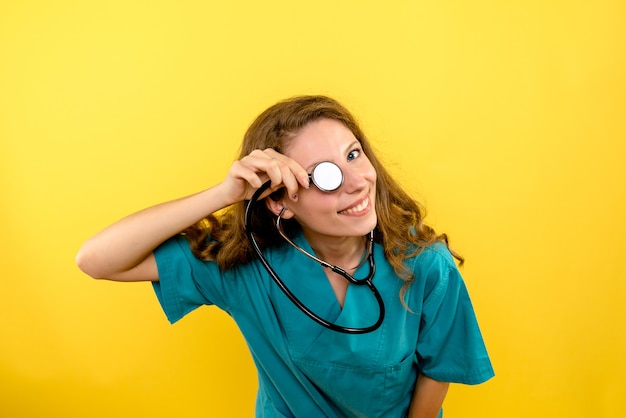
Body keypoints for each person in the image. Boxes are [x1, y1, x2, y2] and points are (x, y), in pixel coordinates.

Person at [76, 95, 494, 417]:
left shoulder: (424, 263)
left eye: (354, 155)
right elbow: (96, 259)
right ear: (280, 201)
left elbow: (437, 370)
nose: (357, 182)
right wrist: (227, 194)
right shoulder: (248, 268)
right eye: (326, 175)